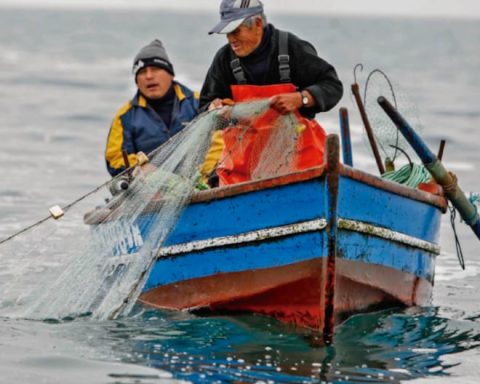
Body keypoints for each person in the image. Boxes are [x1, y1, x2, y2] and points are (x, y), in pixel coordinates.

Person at [199, 0, 343, 186]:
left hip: (301, 163)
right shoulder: (224, 59)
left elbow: (332, 85)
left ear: (258, 24)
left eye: (236, 31)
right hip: (243, 171)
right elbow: (204, 106)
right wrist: (214, 109)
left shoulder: (291, 47)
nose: (231, 39)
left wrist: (302, 98)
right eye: (227, 33)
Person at [105, 39, 199, 177]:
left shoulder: (199, 103)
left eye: (155, 69)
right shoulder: (125, 116)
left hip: (200, 183)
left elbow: (218, 144)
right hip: (147, 188)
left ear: (170, 74)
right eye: (142, 72)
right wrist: (142, 168)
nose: (149, 76)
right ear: (136, 81)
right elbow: (115, 158)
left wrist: (205, 177)